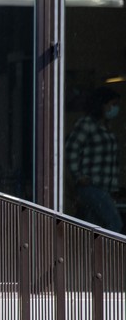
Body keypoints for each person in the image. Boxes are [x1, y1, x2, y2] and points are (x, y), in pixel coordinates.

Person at [65, 87, 123, 233]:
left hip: (104, 187)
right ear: (102, 104)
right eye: (113, 104)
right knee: (114, 224)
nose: (115, 108)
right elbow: (71, 149)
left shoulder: (106, 127)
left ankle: (86, 255)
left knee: (92, 228)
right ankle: (113, 255)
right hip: (91, 186)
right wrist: (78, 176)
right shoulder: (86, 124)